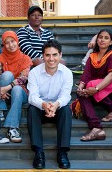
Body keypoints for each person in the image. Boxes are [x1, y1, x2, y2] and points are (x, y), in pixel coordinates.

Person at [27, 39, 73, 169]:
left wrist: (56, 105)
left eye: (54, 55)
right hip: (40, 108)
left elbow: (65, 96)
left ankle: (62, 152)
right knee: (31, 109)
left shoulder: (67, 73)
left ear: (60, 55)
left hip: (57, 108)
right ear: (43, 56)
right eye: (47, 55)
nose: (51, 59)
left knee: (66, 110)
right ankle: (38, 152)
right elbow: (32, 97)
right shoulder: (34, 73)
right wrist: (44, 105)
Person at [0, 31, 33, 143]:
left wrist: (7, 88)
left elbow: (23, 78)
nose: (11, 45)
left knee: (17, 89)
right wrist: (1, 91)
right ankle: (1, 108)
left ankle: (12, 127)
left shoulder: (25, 58)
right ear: (4, 45)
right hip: (3, 93)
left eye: (13, 41)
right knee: (7, 75)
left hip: (20, 93)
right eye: (7, 43)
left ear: (17, 41)